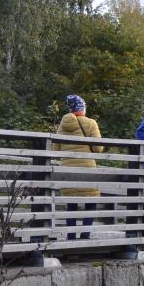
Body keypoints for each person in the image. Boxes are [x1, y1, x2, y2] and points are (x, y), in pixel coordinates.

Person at [54, 94, 103, 240]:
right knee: (91, 202)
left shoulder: (62, 126)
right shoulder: (90, 123)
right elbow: (98, 148)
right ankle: (85, 235)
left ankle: (70, 236)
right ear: (82, 108)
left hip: (67, 170)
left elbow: (55, 150)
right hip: (87, 170)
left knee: (72, 205)